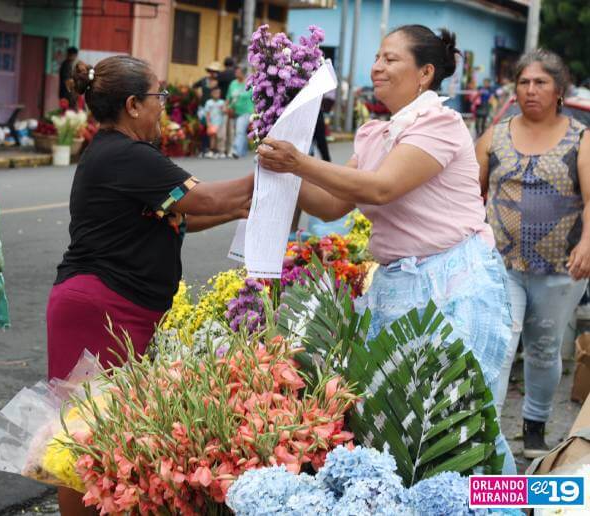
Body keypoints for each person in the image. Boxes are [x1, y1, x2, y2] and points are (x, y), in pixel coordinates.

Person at [256, 25, 516, 474]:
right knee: (403, 423)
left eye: (391, 59)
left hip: (454, 282)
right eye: (377, 57)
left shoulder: (440, 123)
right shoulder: (375, 133)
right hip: (399, 287)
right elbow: (335, 203)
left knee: (462, 422)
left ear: (425, 73)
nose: (377, 67)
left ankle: (503, 502)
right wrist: (281, 173)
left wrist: (299, 162)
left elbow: (381, 188)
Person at [47, 55, 252, 514]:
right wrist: (276, 170)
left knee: (110, 431)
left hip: (118, 306)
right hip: (99, 309)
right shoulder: (126, 155)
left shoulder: (124, 155)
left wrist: (239, 211)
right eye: (159, 96)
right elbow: (206, 196)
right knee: (87, 436)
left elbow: (179, 216)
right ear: (134, 104)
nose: (164, 105)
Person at [476, 49, 590, 459]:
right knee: (501, 342)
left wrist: (588, 242)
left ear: (559, 90)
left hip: (562, 268)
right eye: (523, 82)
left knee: (543, 349)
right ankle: (487, 432)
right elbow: (470, 190)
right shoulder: (496, 134)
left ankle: (536, 424)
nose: (530, 90)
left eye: (540, 82)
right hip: (502, 264)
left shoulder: (581, 138)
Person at [193, 62, 221, 155]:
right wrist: (198, 94)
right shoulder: (204, 80)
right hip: (203, 106)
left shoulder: (218, 82)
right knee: (204, 126)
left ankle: (212, 148)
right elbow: (194, 86)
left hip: (214, 109)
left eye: (215, 71)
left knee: (213, 128)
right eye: (211, 71)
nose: (213, 73)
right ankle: (204, 147)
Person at [227, 65, 255, 158]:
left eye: (238, 72)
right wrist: (227, 107)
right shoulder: (233, 84)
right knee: (240, 131)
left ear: (243, 73)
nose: (236, 73)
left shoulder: (248, 83)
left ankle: (236, 151)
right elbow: (229, 97)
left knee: (239, 131)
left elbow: (252, 97)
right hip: (234, 111)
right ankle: (243, 151)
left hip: (246, 111)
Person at [201, 86, 227, 157]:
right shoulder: (209, 102)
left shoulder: (222, 102)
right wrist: (208, 122)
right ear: (211, 94)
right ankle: (212, 150)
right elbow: (207, 113)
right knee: (212, 137)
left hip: (220, 123)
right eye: (215, 93)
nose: (216, 94)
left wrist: (223, 109)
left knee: (220, 137)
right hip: (212, 123)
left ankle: (220, 151)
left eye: (218, 93)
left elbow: (225, 111)